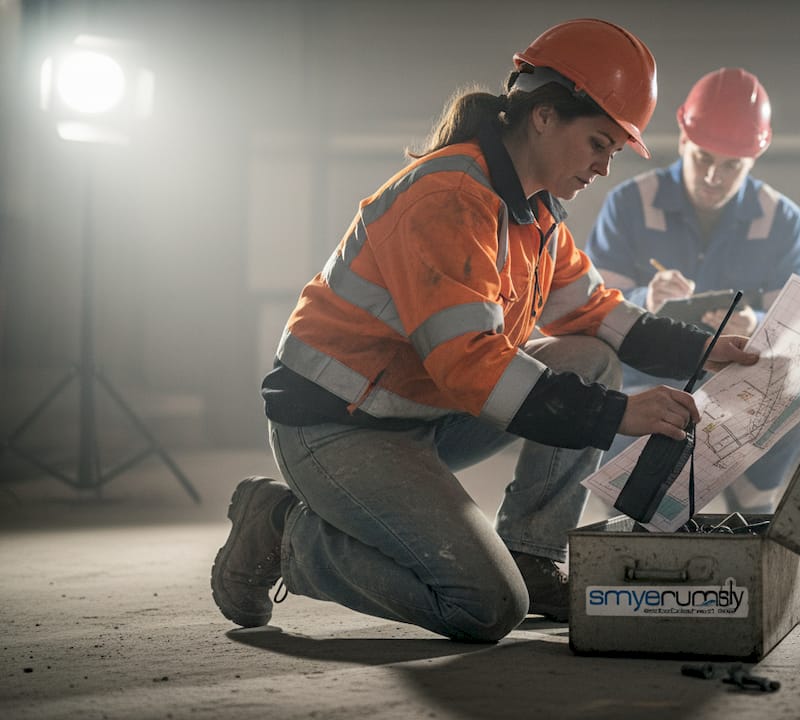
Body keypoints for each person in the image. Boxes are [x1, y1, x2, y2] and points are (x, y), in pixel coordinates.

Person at [209, 19, 757, 644]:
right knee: (485, 605)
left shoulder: (535, 211)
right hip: (337, 428)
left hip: (413, 415)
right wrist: (616, 415)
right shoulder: (450, 197)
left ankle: (531, 551)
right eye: (599, 144)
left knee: (591, 358)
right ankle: (280, 532)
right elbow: (471, 365)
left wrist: (706, 351)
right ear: (545, 117)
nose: (604, 168)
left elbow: (596, 312)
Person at [585, 67, 800, 514]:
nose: (714, 176)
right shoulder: (629, 203)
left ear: (755, 158)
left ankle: (754, 496)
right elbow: (587, 308)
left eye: (731, 165)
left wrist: (758, 327)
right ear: (682, 141)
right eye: (702, 159)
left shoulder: (781, 219)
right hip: (643, 376)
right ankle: (630, 501)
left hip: (736, 382)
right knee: (631, 509)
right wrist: (645, 301)